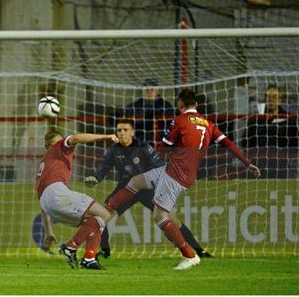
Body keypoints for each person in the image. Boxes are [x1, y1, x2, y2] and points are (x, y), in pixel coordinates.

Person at [104, 89, 261, 270]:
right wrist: (247, 164)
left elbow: (164, 147)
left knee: (160, 216)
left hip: (174, 175)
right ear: (196, 105)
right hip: (181, 172)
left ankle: (189, 255)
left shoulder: (179, 121)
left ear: (179, 105)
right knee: (137, 181)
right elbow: (229, 144)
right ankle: (109, 207)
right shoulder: (208, 124)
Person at [84, 119, 211, 258]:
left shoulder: (143, 147)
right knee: (102, 214)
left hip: (146, 187)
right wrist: (96, 178)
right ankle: (104, 250)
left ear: (132, 132)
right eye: (119, 130)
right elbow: (103, 167)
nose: (121, 133)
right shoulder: (113, 150)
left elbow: (159, 165)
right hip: (126, 187)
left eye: (125, 130)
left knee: (170, 218)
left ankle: (199, 250)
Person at [37, 130, 119, 270]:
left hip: (48, 203)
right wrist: (106, 136)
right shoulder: (59, 147)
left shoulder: (44, 165)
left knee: (94, 222)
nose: (62, 142)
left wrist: (49, 231)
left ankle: (89, 258)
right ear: (50, 145)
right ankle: (71, 246)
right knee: (104, 214)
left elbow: (43, 203)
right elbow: (75, 138)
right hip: (58, 193)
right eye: (58, 141)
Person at [115, 78, 175, 143]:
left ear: (157, 91)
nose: (149, 92)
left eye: (152, 89)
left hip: (159, 141)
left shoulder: (165, 105)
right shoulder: (136, 105)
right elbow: (125, 114)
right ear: (143, 91)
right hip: (139, 140)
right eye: (147, 90)